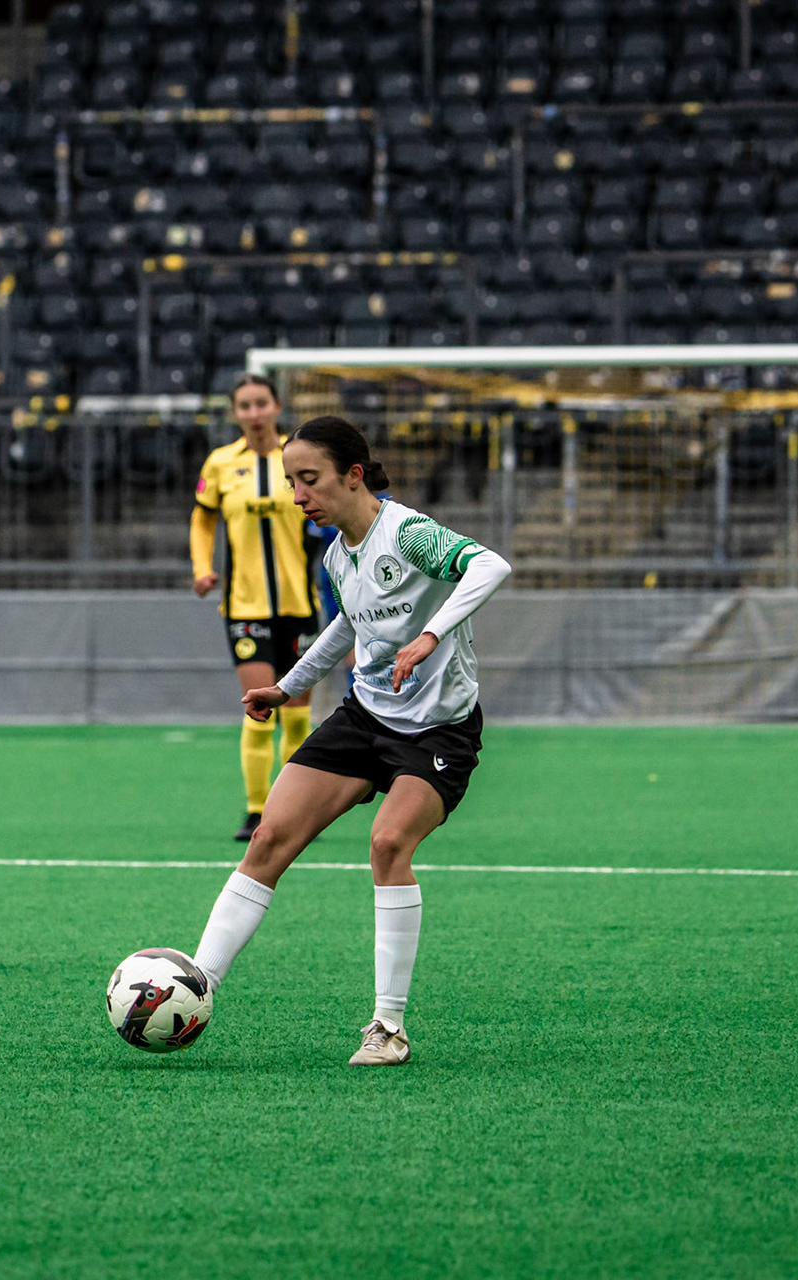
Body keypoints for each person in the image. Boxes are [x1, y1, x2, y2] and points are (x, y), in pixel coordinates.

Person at [187, 415, 512, 1065]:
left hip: (438, 729)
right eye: (292, 482)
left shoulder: (408, 534)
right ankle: (194, 987)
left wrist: (430, 635)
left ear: (353, 475)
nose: (298, 496)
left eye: (309, 480)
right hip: (366, 718)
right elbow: (346, 628)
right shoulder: (338, 553)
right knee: (269, 838)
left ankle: (388, 1028)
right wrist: (287, 687)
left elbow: (490, 565)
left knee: (389, 843)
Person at [189, 374, 323, 841]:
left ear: (277, 406)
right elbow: (202, 518)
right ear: (235, 412)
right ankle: (256, 811)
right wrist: (202, 567)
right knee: (259, 708)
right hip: (244, 607)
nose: (254, 413)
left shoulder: (299, 457)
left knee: (298, 715)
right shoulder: (221, 463)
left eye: (261, 403)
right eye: (244, 405)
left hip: (298, 603)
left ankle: (297, 811)